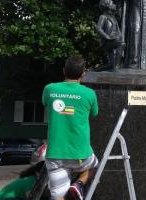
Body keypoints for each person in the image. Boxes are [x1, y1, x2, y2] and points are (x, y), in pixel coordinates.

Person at [42, 56, 99, 200]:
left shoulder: (49, 89)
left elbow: (45, 103)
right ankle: (78, 184)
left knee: (59, 196)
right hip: (81, 155)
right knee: (95, 165)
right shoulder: (89, 94)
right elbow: (94, 113)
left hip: (55, 154)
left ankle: (70, 190)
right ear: (83, 73)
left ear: (64, 71)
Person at [96, 0, 125, 71]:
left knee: (110, 64)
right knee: (121, 44)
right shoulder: (103, 17)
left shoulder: (113, 17)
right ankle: (116, 67)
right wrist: (107, 36)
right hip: (108, 41)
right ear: (107, 6)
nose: (114, 4)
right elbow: (98, 28)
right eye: (113, 3)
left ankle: (97, 70)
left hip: (113, 39)